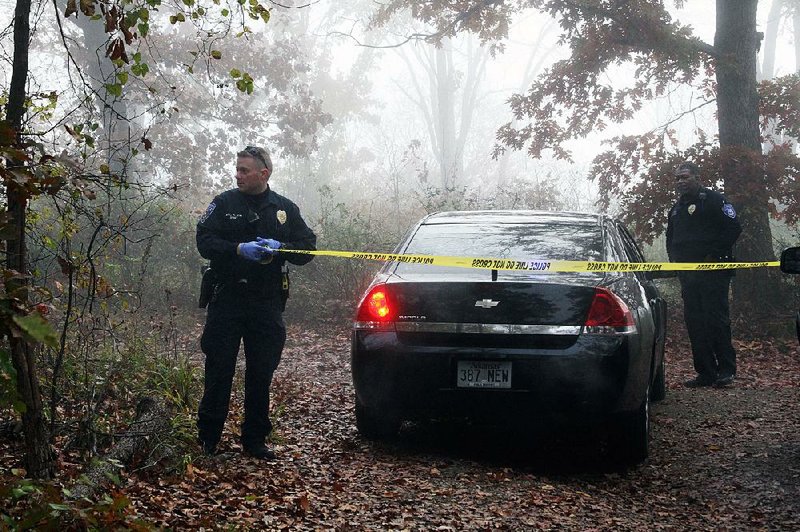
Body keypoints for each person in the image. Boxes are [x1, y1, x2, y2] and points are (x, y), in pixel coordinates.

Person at [196, 145, 316, 459]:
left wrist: (282, 247)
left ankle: (255, 440)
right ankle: (207, 439)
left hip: (266, 303)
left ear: (263, 174)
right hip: (227, 300)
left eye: (244, 170)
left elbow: (308, 247)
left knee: (261, 372)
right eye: (237, 169)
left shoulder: (284, 209)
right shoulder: (223, 203)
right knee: (219, 370)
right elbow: (204, 241)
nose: (238, 175)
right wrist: (237, 249)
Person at [666, 161, 742, 388]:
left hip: (714, 273)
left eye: (685, 177)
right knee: (695, 323)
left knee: (716, 320)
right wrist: (675, 263)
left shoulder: (714, 200)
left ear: (698, 178)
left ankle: (726, 372)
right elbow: (671, 238)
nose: (681, 181)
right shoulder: (677, 208)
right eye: (678, 178)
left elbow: (733, 228)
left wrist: (714, 255)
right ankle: (706, 373)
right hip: (688, 276)